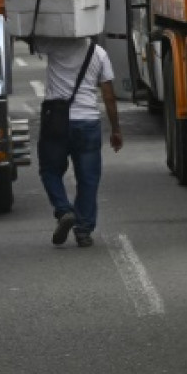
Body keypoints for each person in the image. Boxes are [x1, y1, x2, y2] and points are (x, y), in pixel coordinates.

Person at [37, 37, 122, 247]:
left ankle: (64, 210)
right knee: (88, 179)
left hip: (56, 120)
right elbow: (109, 96)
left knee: (49, 169)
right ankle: (83, 231)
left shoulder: (54, 46)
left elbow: (31, 38)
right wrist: (116, 129)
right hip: (88, 121)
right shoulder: (99, 53)